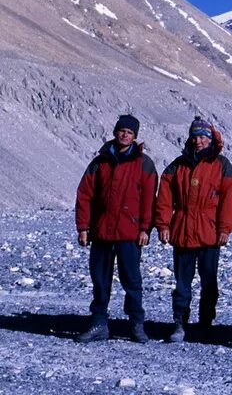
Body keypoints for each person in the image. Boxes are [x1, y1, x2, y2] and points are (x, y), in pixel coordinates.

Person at [74, 114, 158, 344]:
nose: (124, 135)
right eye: (121, 130)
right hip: (101, 232)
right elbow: (85, 195)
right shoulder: (100, 162)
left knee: (132, 280)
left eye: (129, 132)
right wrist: (83, 226)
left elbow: (150, 200)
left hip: (129, 233)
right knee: (100, 280)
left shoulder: (144, 164)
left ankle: (136, 323)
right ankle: (99, 323)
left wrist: (145, 229)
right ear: (115, 132)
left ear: (135, 137)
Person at [155, 116, 232, 343]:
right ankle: (180, 323)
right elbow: (164, 197)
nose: (199, 141)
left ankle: (205, 323)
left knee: (209, 282)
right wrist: (163, 224)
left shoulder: (222, 165)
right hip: (182, 232)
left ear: (210, 139)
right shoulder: (178, 165)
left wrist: (225, 228)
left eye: (203, 137)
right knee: (182, 283)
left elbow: (230, 199)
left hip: (209, 233)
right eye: (196, 137)